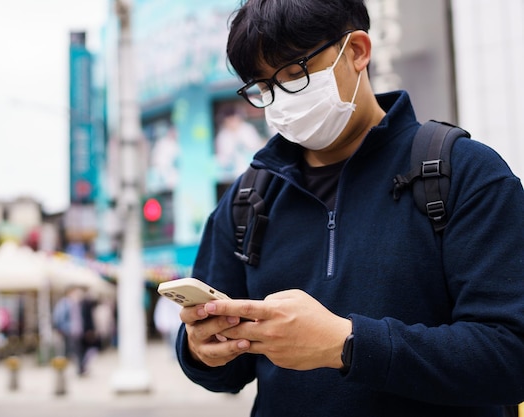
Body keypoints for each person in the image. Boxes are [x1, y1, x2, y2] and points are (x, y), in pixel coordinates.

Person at [175, 1, 524, 416]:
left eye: (295, 73)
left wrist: (346, 343)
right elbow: (227, 374)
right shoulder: (247, 199)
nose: (279, 100)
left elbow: (510, 354)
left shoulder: (465, 173)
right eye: (264, 86)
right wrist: (201, 349)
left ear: (357, 51)